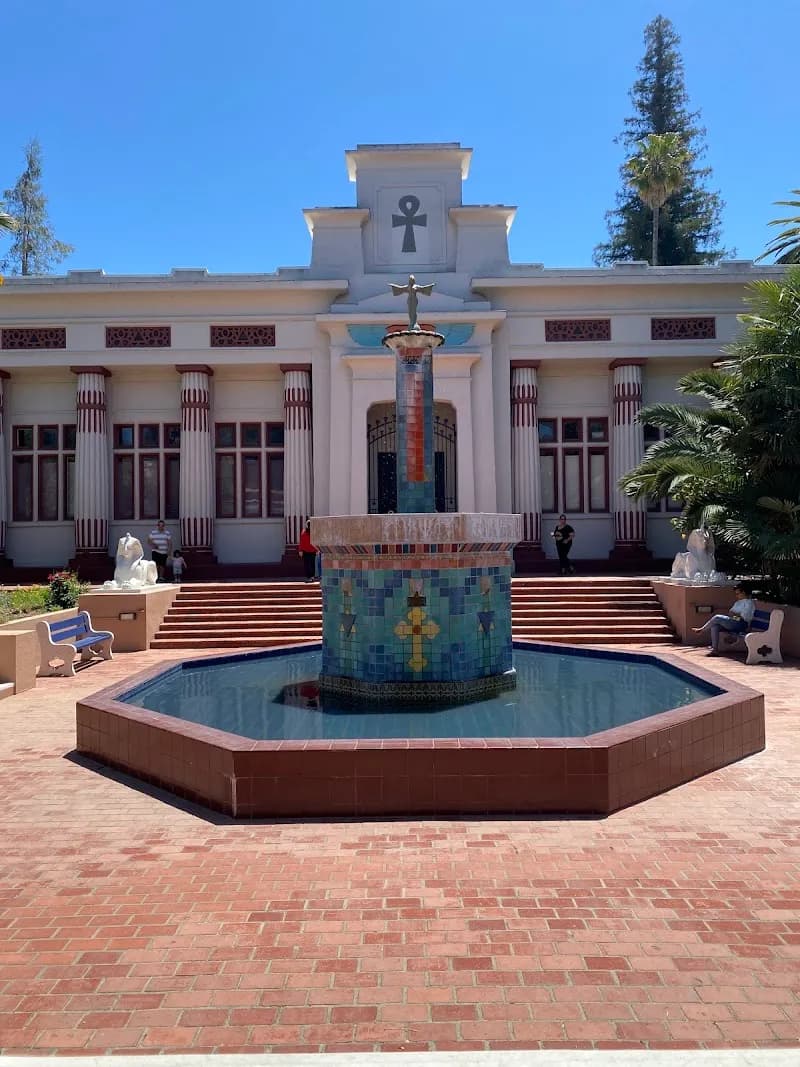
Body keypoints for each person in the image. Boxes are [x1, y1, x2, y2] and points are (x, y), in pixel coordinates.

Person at [692, 583, 756, 655]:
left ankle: (702, 630)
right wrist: (735, 616)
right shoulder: (738, 602)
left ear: (743, 592)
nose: (736, 596)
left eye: (738, 594)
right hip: (734, 622)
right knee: (715, 626)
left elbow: (744, 618)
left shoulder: (749, 603)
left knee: (717, 617)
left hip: (741, 624)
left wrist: (734, 616)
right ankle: (715, 649)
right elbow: (730, 613)